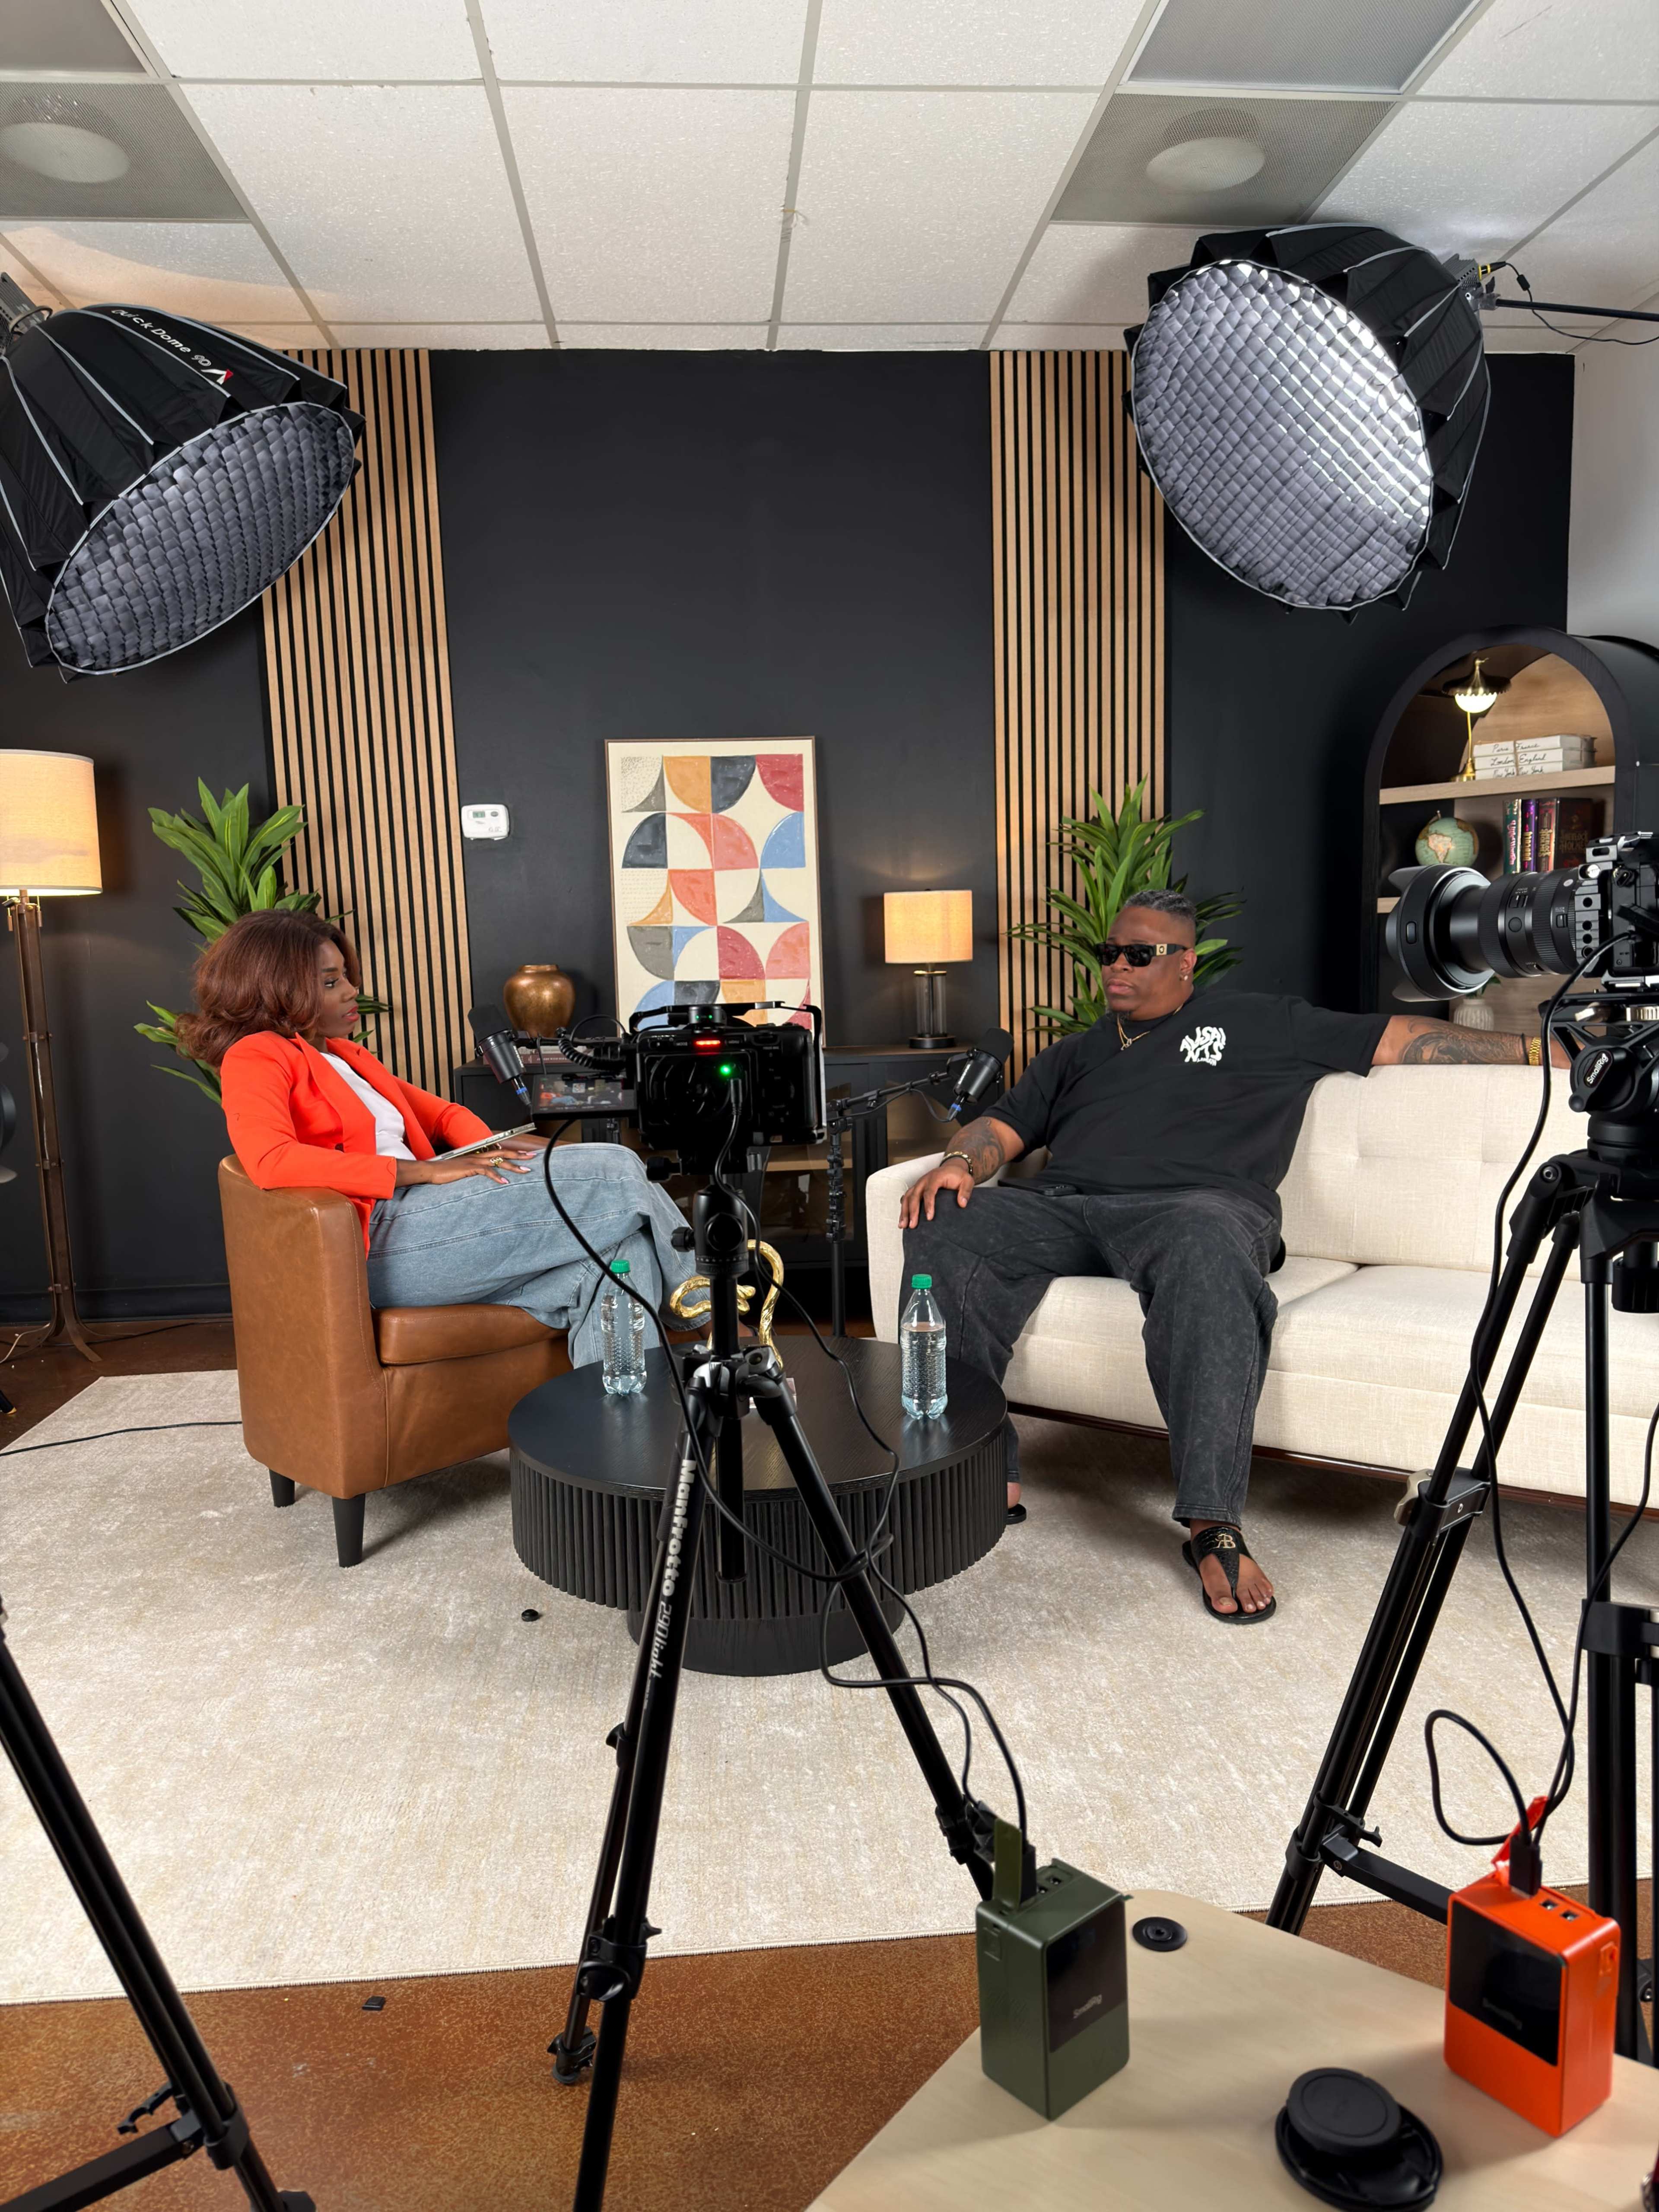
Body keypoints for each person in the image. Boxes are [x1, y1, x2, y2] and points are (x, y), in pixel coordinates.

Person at [900, 887, 1560, 1624]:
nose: (1116, 966)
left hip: (1201, 1208)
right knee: (944, 1220)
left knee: (1202, 1237)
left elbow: (1400, 1039)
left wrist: (1545, 1049)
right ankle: (975, 1466)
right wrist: (960, 1162)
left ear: (1185, 961)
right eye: (1108, 952)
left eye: (1138, 955)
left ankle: (1213, 1523)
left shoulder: (1260, 1022)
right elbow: (1003, 1127)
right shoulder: (1076, 1053)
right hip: (1070, 1209)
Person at [179, 910, 692, 1365]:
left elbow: (444, 1114)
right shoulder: (257, 1054)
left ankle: (623, 1440)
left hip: (430, 1217)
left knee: (622, 1255)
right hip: (380, 1238)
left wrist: (489, 1146)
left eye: (345, 977)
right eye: (331, 981)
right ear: (277, 990)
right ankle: (704, 1305)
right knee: (617, 1167)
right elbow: (271, 1160)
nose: (352, 990)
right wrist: (423, 1170)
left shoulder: (346, 1056)